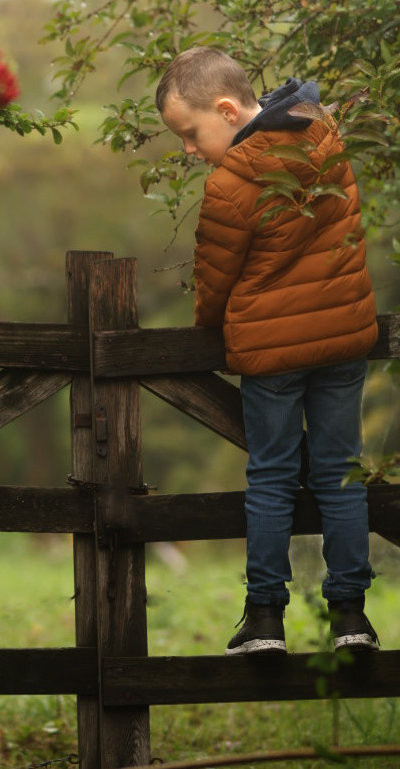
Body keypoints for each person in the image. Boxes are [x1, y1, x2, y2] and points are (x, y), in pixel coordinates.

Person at [156, 45, 379, 656]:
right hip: (342, 338)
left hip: (270, 353)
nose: (188, 150)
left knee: (273, 478)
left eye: (190, 133)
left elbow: (215, 282)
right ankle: (352, 617)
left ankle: (264, 620)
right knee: (341, 475)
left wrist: (209, 336)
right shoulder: (326, 136)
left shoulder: (231, 184)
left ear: (227, 110)